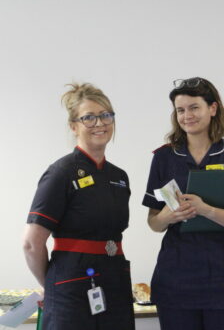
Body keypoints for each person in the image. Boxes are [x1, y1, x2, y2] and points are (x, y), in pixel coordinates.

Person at [142, 77, 224, 330]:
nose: (187, 115)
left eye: (194, 107)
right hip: (176, 282)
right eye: (180, 110)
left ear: (213, 108)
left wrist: (207, 210)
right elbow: (154, 222)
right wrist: (169, 216)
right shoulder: (164, 158)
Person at [23, 83, 135, 330]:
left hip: (115, 282)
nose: (100, 123)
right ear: (74, 126)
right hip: (71, 289)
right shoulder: (60, 173)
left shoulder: (119, 176)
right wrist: (54, 285)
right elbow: (31, 243)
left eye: (106, 115)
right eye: (89, 118)